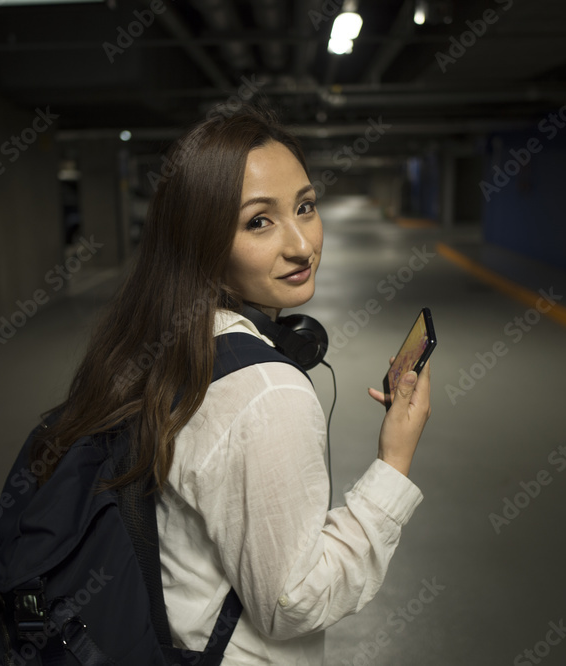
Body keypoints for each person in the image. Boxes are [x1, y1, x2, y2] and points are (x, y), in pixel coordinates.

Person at [29, 105, 432, 664]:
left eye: (305, 207)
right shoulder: (267, 394)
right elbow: (293, 602)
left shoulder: (165, 339)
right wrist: (395, 461)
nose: (302, 244)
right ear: (205, 247)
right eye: (258, 222)